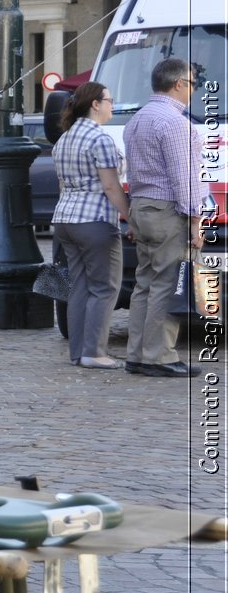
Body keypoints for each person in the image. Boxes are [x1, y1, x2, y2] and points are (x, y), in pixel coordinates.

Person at [123, 57, 206, 377]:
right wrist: (197, 222)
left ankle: (138, 353)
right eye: (193, 84)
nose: (194, 90)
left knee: (145, 283)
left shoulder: (138, 119)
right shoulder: (175, 123)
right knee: (168, 284)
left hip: (142, 207)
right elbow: (186, 179)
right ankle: (158, 356)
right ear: (179, 84)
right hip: (167, 211)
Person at [50, 82, 129, 370]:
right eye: (109, 100)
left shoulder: (65, 138)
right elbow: (110, 185)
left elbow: (61, 183)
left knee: (79, 287)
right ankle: (94, 352)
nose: (112, 105)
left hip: (65, 220)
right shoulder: (100, 139)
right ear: (95, 104)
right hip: (95, 220)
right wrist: (130, 216)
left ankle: (78, 352)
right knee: (105, 287)